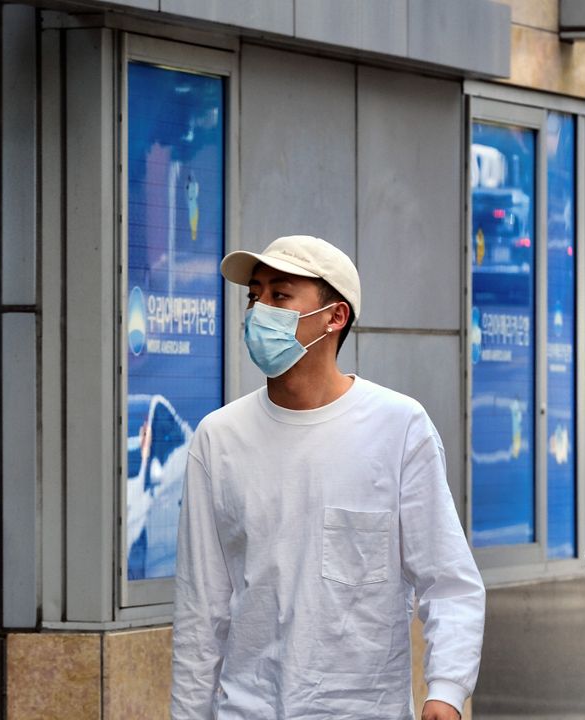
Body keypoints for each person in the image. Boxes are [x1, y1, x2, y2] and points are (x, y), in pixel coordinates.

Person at [171, 235, 485, 719]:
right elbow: (200, 610)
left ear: (334, 317)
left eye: (280, 295)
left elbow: (448, 580)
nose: (259, 311)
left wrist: (446, 689)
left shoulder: (398, 427)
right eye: (255, 295)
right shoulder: (219, 438)